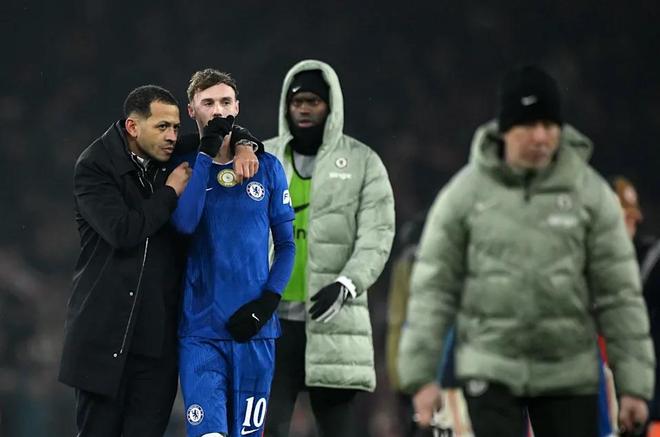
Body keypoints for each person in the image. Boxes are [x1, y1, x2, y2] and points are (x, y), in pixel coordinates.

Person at [398, 65, 654, 437]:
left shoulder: (590, 195)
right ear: (505, 129)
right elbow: (433, 291)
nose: (540, 137)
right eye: (529, 125)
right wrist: (421, 378)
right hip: (490, 370)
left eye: (549, 125)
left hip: (568, 373)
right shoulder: (464, 197)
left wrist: (634, 386)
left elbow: (620, 295)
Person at [262, 59, 395, 437]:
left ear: (330, 105)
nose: (304, 109)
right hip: (273, 321)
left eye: (314, 101)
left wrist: (347, 283)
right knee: (267, 429)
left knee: (339, 430)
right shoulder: (263, 158)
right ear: (286, 106)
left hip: (333, 319)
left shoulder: (363, 162)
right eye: (297, 101)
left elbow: (377, 235)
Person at [58, 85, 190, 437]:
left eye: (176, 127)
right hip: (105, 341)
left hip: (156, 347)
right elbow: (122, 232)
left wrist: (246, 144)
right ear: (133, 127)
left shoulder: (169, 156)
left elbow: (216, 140)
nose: (172, 136)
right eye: (162, 127)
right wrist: (170, 192)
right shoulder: (95, 166)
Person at [171, 68, 295, 437]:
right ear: (192, 110)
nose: (218, 110)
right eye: (208, 103)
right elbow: (185, 224)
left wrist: (268, 303)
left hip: (255, 332)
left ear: (237, 107)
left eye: (225, 102)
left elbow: (287, 245)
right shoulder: (183, 166)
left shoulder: (266, 168)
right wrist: (206, 154)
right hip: (200, 332)